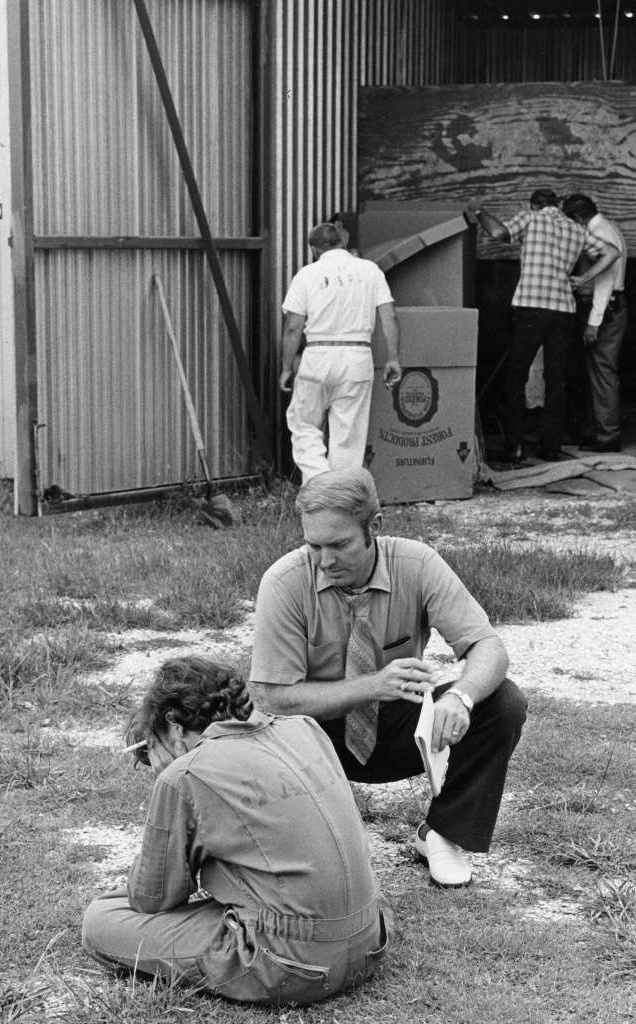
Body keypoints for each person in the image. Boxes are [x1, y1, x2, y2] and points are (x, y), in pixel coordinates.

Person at [250, 467, 527, 889]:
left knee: (504, 703)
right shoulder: (284, 583)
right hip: (310, 740)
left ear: (374, 527)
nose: (325, 561)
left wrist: (462, 698)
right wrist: (373, 684)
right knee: (315, 867)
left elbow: (489, 648)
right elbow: (273, 698)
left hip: (398, 727)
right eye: (314, 546)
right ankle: (309, 829)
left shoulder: (418, 564)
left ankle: (442, 833)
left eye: (339, 544)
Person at [82, 656, 389, 1006]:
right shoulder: (305, 727)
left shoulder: (185, 774)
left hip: (289, 965)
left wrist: (167, 788)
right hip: (371, 939)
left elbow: (153, 899)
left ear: (174, 726)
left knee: (101, 919)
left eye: (151, 746)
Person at [467, 190, 621, 462]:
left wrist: (479, 212)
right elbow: (612, 252)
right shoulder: (575, 229)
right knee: (556, 380)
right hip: (563, 310)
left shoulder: (530, 219)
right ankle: (550, 447)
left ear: (534, 205)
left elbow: (499, 233)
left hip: (532, 308)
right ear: (556, 206)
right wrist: (584, 278)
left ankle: (514, 446)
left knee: (516, 375)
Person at [280, 222, 402, 483]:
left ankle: (318, 481)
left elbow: (293, 327)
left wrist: (287, 367)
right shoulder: (370, 271)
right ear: (343, 243)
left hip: (318, 354)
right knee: (349, 434)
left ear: (314, 248)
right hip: (357, 356)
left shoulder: (307, 274)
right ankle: (340, 497)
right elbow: (389, 315)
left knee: (304, 425)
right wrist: (393, 358)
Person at [562, 193, 628, 453]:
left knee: (602, 371)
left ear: (578, 218)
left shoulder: (600, 232)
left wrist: (594, 321)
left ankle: (608, 434)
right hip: (610, 306)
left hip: (605, 307)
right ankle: (600, 430)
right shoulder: (609, 228)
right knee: (598, 371)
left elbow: (605, 280)